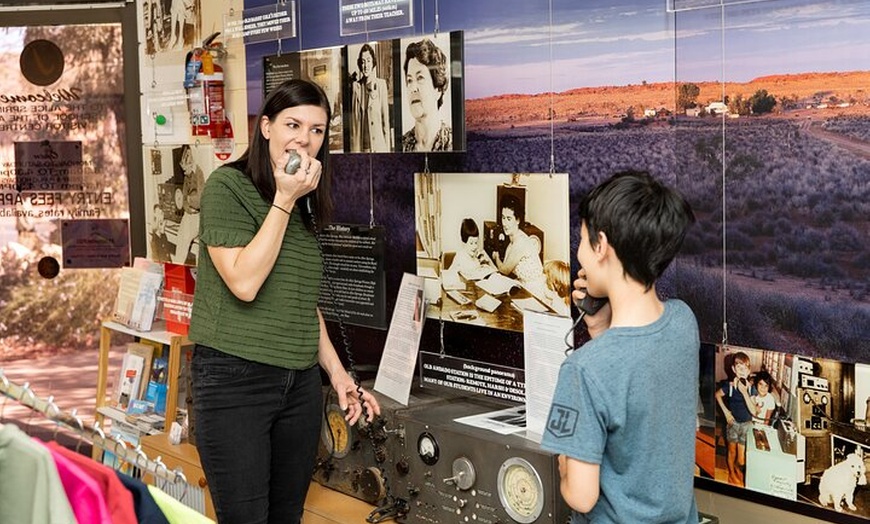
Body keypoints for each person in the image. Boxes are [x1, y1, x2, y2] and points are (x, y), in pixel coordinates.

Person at [188, 78, 381, 524]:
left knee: (286, 517)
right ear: (266, 128)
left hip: (298, 386)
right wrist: (284, 201)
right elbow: (244, 283)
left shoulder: (304, 203)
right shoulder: (228, 188)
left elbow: (299, 303)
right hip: (235, 380)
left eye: (317, 130)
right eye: (293, 124)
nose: (305, 139)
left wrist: (337, 375)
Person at [541, 170, 698, 523]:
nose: (579, 254)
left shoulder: (583, 370)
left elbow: (581, 497)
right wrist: (600, 327)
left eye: (581, 240)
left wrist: (565, 459)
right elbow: (637, 387)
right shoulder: (683, 322)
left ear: (601, 245)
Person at [492, 194, 548, 299]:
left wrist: (496, 257)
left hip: (534, 291)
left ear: (517, 220)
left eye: (509, 218)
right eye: (503, 217)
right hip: (523, 286)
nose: (504, 223)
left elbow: (504, 270)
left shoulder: (521, 242)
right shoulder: (512, 240)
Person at [401, 38, 452, 152]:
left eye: (420, 78)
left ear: (438, 90)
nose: (413, 88)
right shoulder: (402, 145)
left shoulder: (451, 142)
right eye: (409, 80)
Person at [715, 350, 757, 487]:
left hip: (746, 425)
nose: (741, 371)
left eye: (744, 368)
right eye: (738, 368)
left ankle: (739, 471)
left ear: (749, 370)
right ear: (733, 369)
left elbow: (754, 411)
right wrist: (726, 412)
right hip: (733, 424)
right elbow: (717, 395)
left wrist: (745, 391)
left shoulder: (751, 389)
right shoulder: (730, 386)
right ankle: (731, 472)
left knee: (742, 458)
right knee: (731, 451)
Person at [351, 43, 391, 152]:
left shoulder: (381, 85)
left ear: (373, 62)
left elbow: (385, 122)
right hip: (361, 148)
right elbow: (354, 124)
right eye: (363, 62)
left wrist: (387, 152)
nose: (366, 65)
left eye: (368, 61)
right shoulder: (356, 87)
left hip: (378, 147)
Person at [172, 144, 205, 265]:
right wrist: (187, 204)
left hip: (196, 216)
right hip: (189, 214)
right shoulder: (187, 176)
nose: (184, 172)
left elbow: (200, 200)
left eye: (185, 168)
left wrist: (189, 200)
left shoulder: (198, 173)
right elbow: (184, 199)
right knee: (180, 245)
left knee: (182, 243)